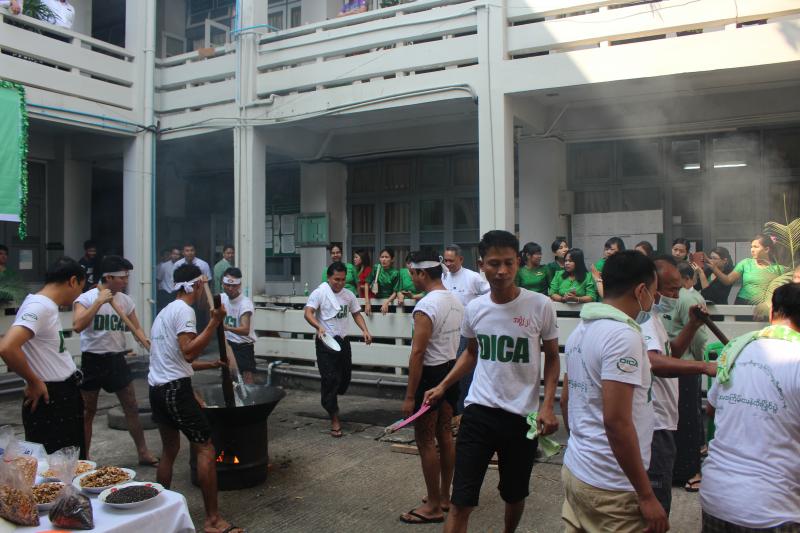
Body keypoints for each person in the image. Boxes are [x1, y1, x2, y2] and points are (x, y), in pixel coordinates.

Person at [424, 230, 560, 533]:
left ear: (518, 263)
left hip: (521, 418)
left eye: (509, 263)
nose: (502, 271)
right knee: (461, 501)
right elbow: (471, 353)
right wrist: (443, 385)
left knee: (514, 495)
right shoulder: (475, 308)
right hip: (479, 413)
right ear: (481, 264)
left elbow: (552, 358)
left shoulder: (540, 305)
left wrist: (548, 405)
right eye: (494, 263)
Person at [561, 250, 668, 533]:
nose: (655, 300)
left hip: (578, 469)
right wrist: (646, 494)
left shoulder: (581, 329)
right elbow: (617, 421)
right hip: (611, 487)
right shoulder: (623, 336)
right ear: (641, 290)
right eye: (654, 292)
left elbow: (567, 399)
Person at [148, 263, 243, 533]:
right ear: (198, 285)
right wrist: (214, 322)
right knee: (205, 448)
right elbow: (188, 351)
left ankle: (158, 510)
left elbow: (175, 359)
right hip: (175, 391)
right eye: (204, 285)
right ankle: (213, 521)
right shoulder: (185, 311)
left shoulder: (164, 312)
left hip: (157, 389)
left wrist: (211, 364)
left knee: (169, 450)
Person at [700, 282, 800, 532]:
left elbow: (711, 408)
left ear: (772, 313)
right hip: (773, 509)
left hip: (717, 497)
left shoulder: (736, 348)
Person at [641, 256, 716, 515]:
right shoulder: (644, 320)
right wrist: (703, 366)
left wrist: (693, 324)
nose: (676, 296)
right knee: (656, 504)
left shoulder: (654, 317)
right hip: (654, 422)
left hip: (664, 419)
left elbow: (670, 353)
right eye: (671, 290)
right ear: (651, 287)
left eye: (678, 289)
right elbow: (654, 362)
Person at [72, 255, 157, 465]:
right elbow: (77, 326)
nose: (126, 282)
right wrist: (98, 302)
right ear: (108, 277)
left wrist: (146, 343)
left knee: (131, 407)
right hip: (93, 360)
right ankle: (84, 459)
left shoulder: (125, 301)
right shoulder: (86, 298)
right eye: (122, 278)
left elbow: (136, 327)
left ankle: (143, 452)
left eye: (127, 277)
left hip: (117, 359)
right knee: (87, 411)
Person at [398, 250, 464, 524]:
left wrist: (409, 396)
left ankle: (434, 506)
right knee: (445, 435)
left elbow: (417, 353)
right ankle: (445, 496)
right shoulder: (455, 299)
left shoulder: (425, 306)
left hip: (430, 376)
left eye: (412, 273)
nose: (411, 278)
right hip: (450, 372)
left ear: (422, 273)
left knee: (426, 441)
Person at [0, 257, 86, 456]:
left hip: (63, 392)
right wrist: (34, 381)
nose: (78, 295)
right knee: (56, 463)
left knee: (71, 460)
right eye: (80, 288)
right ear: (73, 281)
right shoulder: (40, 306)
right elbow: (7, 347)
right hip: (52, 398)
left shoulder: (44, 305)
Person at [304, 262, 372, 437]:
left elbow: (356, 313)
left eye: (342, 280)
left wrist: (365, 330)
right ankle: (334, 417)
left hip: (343, 341)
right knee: (330, 379)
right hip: (325, 341)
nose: (340, 283)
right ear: (328, 278)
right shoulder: (320, 293)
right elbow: (308, 313)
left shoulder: (348, 295)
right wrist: (318, 326)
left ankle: (331, 397)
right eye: (336, 279)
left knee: (344, 379)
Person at [667, 261, 709, 492]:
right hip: (669, 365)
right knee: (674, 419)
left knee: (688, 420)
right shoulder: (664, 300)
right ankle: (675, 470)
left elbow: (699, 335)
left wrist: (698, 361)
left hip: (687, 364)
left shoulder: (687, 298)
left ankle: (692, 471)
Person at [441, 243, 489, 415]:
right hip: (447, 333)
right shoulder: (443, 276)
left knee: (464, 373)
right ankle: (452, 412)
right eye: (445, 260)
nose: (448, 264)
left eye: (451, 260)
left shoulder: (473, 277)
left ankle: (465, 412)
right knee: (449, 371)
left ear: (460, 259)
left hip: (466, 333)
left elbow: (490, 294)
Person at [705, 234, 786, 306]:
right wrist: (714, 268)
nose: (752, 250)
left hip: (763, 306)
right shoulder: (746, 263)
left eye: (756, 247)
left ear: (766, 249)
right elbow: (728, 280)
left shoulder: (779, 269)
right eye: (751, 247)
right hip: (742, 303)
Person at [220, 267, 256, 385]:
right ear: (222, 284)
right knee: (228, 376)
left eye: (234, 286)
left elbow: (245, 329)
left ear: (239, 285)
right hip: (227, 344)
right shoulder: (221, 298)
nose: (230, 288)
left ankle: (250, 396)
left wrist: (227, 328)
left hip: (243, 346)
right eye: (227, 285)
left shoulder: (245, 303)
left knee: (247, 377)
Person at [364, 247, 399, 316]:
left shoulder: (395, 273)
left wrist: (387, 302)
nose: (384, 259)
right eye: (382, 257)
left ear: (392, 259)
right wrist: (367, 302)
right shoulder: (376, 268)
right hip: (376, 302)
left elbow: (395, 292)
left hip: (389, 304)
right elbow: (366, 284)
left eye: (386, 257)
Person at [156, 247, 180, 313]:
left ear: (180, 256)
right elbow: (158, 280)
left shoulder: (181, 266)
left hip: (176, 293)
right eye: (174, 254)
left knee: (175, 311)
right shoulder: (163, 266)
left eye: (177, 254)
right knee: (164, 312)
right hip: (165, 293)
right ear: (171, 255)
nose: (175, 256)